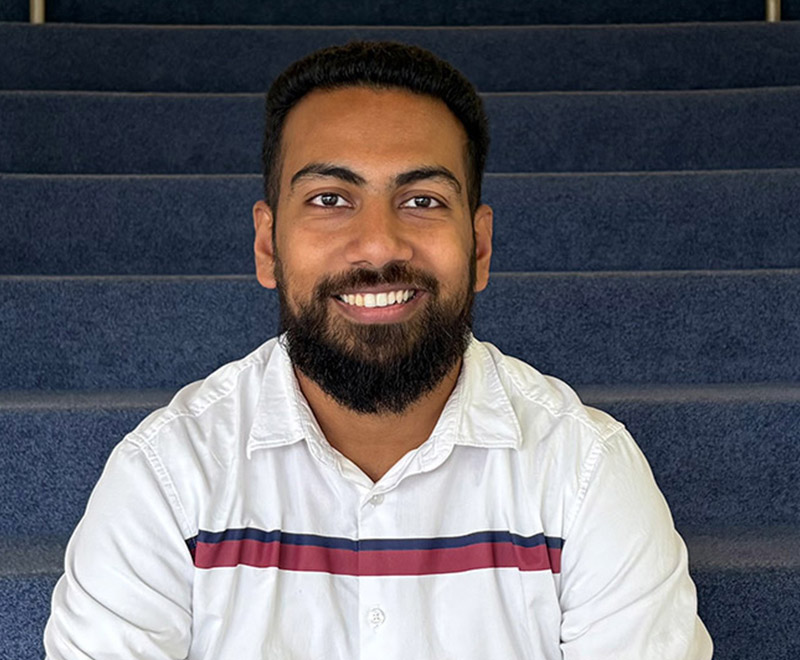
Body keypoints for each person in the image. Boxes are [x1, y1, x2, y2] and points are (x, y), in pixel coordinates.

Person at [44, 41, 713, 659]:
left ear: (479, 248)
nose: (379, 244)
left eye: (421, 199)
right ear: (267, 244)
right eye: (330, 198)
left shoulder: (586, 473)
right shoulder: (167, 477)